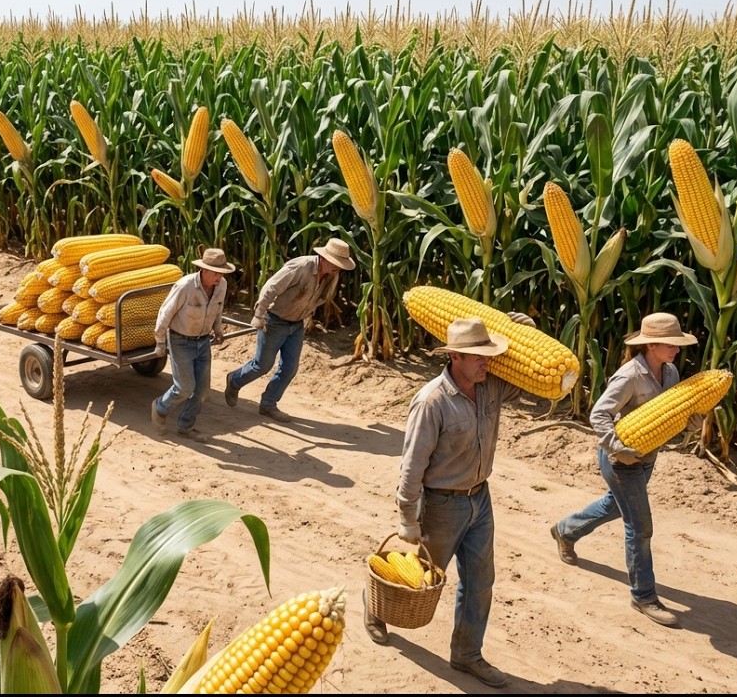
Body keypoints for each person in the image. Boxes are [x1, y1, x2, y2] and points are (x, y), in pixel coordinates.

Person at [368, 314, 537, 689]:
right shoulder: (432, 402)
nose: (486, 362)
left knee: (480, 581)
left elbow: (532, 378)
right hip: (442, 505)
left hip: (480, 499)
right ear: (454, 356)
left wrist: (523, 334)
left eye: (488, 355)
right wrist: (408, 517)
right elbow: (412, 465)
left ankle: (466, 654)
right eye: (477, 356)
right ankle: (375, 607)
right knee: (421, 578)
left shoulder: (492, 387)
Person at [550, 312, 699, 628]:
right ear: (652, 345)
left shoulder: (670, 372)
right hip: (620, 461)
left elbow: (670, 416)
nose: (677, 349)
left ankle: (565, 530)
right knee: (639, 526)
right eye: (671, 344)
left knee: (614, 505)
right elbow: (598, 414)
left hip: (647, 457)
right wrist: (618, 448)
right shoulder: (629, 375)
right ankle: (643, 596)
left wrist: (692, 422)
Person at [224, 237, 355, 422]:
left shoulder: (332, 275)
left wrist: (306, 315)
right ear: (324, 258)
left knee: (290, 368)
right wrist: (259, 315)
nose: (338, 269)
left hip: (297, 324)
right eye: (336, 264)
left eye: (340, 266)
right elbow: (271, 288)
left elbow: (321, 298)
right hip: (275, 320)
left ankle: (268, 404)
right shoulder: (300, 267)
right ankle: (234, 380)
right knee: (262, 365)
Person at [150, 248, 236, 443]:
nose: (219, 277)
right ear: (203, 270)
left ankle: (186, 426)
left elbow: (218, 308)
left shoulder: (221, 285)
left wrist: (218, 330)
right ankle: (160, 408)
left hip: (203, 341)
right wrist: (160, 341)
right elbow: (165, 313)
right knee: (185, 388)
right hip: (181, 340)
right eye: (215, 273)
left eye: (222, 273)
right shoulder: (185, 286)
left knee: (202, 391)